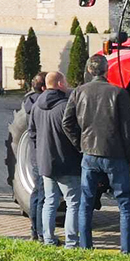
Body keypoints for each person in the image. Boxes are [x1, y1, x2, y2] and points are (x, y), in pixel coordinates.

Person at [63, 55, 130, 255]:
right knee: (125, 204)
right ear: (107, 71)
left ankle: (86, 248)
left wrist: (81, 145)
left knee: (86, 202)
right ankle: (127, 252)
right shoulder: (118, 92)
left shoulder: (79, 92)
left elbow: (67, 122)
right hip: (115, 155)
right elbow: (127, 130)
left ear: (88, 71)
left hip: (89, 154)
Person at [30, 72, 81, 247]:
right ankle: (72, 242)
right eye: (65, 81)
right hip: (66, 162)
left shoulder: (36, 106)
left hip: (46, 163)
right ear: (59, 83)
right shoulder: (65, 106)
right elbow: (74, 134)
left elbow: (32, 134)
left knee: (50, 201)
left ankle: (49, 239)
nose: (67, 84)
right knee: (73, 202)